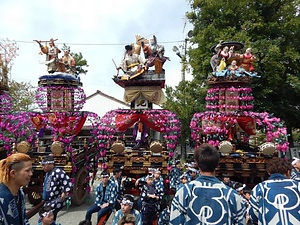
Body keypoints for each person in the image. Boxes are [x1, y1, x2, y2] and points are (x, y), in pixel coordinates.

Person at [170, 143, 246, 224]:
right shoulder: (232, 196)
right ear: (217, 165)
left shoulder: (184, 192)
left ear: (197, 164)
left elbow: (175, 221)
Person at [249, 157, 300, 224]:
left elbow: (253, 214)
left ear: (269, 173)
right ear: (288, 171)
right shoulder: (298, 185)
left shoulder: (260, 188)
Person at [0, 153, 32, 225]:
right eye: (27, 170)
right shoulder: (1, 196)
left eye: (31, 170)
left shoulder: (20, 193)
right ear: (13, 173)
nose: (31, 174)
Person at [41, 155, 73, 221]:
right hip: (48, 201)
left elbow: (67, 182)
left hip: (56, 200)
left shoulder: (58, 172)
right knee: (51, 220)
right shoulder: (48, 173)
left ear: (50, 164)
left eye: (44, 165)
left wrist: (64, 192)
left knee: (44, 219)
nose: (42, 167)